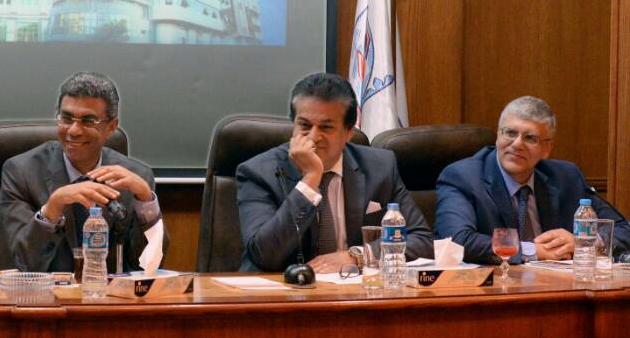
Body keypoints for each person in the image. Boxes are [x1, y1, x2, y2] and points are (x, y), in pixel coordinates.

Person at [237, 72, 433, 272]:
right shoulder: (259, 172)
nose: (313, 137)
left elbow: (422, 241)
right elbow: (264, 256)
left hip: (353, 286)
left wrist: (357, 255)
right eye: (304, 125)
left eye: (326, 127)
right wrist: (310, 180)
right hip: (285, 287)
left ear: (348, 132)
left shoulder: (380, 167)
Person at [0, 71, 167, 272]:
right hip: (49, 291)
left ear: (111, 126)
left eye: (88, 121)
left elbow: (150, 265)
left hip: (107, 291)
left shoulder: (137, 177)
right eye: (66, 118)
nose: (73, 130)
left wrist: (146, 201)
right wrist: (52, 208)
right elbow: (24, 263)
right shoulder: (22, 172)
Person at [436, 95, 630, 264]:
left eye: (530, 138)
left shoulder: (566, 177)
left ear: (547, 149)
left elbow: (623, 230)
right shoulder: (463, 177)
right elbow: (455, 241)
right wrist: (531, 251)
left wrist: (584, 243)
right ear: (497, 136)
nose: (517, 144)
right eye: (510, 133)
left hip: (558, 285)